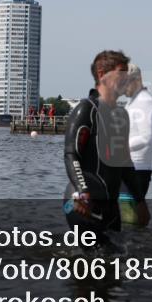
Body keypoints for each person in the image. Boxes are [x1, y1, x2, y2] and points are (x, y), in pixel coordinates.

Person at [63, 50, 132, 244]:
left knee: (116, 264)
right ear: (102, 74)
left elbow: (125, 163)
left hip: (110, 207)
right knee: (94, 258)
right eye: (121, 74)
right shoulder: (86, 110)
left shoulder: (121, 116)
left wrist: (140, 201)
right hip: (82, 201)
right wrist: (83, 191)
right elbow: (71, 154)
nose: (126, 80)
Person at [120, 64, 152, 227]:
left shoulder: (145, 102)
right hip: (127, 167)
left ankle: (134, 250)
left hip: (137, 170)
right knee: (124, 219)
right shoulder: (133, 102)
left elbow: (146, 137)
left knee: (129, 220)